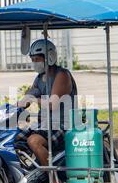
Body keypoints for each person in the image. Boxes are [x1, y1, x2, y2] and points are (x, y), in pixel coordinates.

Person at [16, 39, 77, 167]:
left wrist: (33, 100)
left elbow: (52, 104)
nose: (34, 63)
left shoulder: (62, 75)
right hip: (44, 124)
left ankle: (52, 178)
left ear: (49, 57)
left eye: (37, 59)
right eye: (32, 60)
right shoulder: (40, 78)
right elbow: (28, 97)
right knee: (13, 138)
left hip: (62, 124)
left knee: (34, 141)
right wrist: (12, 108)